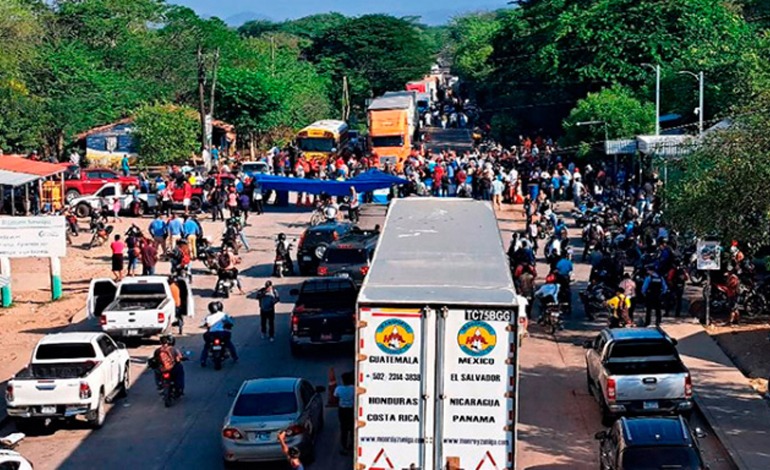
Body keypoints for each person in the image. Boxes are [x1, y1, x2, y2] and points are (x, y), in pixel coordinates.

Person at [200, 301, 239, 366]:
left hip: (211, 335)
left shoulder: (208, 316)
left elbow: (204, 324)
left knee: (207, 346)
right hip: (221, 334)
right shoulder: (222, 315)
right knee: (229, 343)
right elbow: (229, 322)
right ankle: (235, 357)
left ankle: (203, 360)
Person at [335, 372, 355, 454]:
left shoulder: (339, 389)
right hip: (351, 410)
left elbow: (336, 397)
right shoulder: (354, 389)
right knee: (352, 428)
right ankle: (352, 445)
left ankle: (344, 447)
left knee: (344, 429)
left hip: (342, 411)